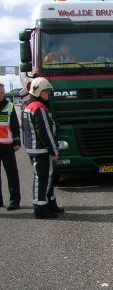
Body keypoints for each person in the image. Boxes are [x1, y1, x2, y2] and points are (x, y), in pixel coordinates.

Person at [22, 77, 65, 219]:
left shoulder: (29, 106)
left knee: (47, 178)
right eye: (46, 91)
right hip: (41, 150)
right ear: (39, 91)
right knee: (42, 179)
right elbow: (45, 132)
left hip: (35, 148)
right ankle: (40, 209)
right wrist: (54, 151)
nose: (48, 94)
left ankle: (50, 204)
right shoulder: (38, 108)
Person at [0, 83, 21, 210]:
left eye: (2, 92)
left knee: (12, 174)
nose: (1, 95)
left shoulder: (10, 106)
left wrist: (17, 142)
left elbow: (15, 126)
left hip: (7, 147)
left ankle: (14, 201)